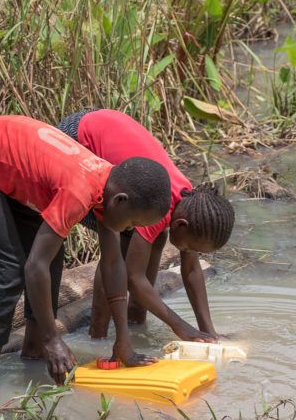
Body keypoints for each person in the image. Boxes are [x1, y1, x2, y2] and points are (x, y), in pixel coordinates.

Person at [0, 115, 172, 383]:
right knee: (8, 272)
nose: (129, 230)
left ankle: (33, 351)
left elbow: (113, 265)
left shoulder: (109, 186)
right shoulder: (81, 190)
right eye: (132, 222)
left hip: (12, 162)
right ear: (121, 201)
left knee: (52, 261)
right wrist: (54, 338)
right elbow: (33, 266)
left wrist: (123, 340)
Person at [55, 108, 235, 343]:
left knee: (154, 240)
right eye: (190, 247)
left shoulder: (190, 202)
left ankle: (136, 319)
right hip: (77, 139)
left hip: (104, 128)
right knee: (116, 250)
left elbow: (191, 270)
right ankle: (97, 336)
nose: (189, 253)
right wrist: (180, 326)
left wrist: (208, 332)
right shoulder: (160, 208)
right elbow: (132, 277)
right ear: (180, 224)